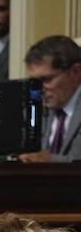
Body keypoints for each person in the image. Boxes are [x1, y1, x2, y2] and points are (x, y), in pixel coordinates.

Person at [19, 35, 81, 163]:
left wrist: (49, 160)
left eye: (46, 80)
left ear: (75, 72)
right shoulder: (35, 109)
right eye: (34, 81)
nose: (38, 89)